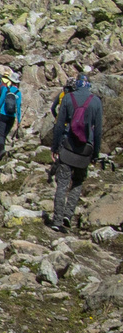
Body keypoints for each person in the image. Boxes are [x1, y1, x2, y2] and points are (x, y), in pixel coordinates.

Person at [45, 69, 104, 232]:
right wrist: (96, 154)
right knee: (77, 182)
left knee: (62, 184)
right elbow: (98, 131)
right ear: (89, 84)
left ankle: (56, 221)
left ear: (77, 83)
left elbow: (58, 125)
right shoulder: (96, 101)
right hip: (86, 149)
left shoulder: (68, 98)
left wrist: (55, 147)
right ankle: (68, 215)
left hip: (68, 147)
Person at [0, 72, 22, 161]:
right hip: (12, 117)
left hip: (3, 114)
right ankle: (0, 152)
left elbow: (0, 102)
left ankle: (1, 150)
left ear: (11, 81)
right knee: (4, 134)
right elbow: (18, 107)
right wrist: (19, 120)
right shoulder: (18, 93)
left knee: (0, 134)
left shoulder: (6, 89)